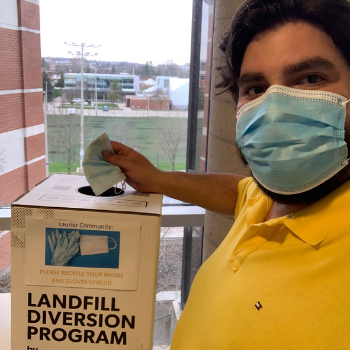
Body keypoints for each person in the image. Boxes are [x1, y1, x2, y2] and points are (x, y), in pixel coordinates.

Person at [103, 0, 350, 348]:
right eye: (255, 89)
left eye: (310, 78)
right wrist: (158, 179)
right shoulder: (266, 198)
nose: (275, 109)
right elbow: (239, 191)